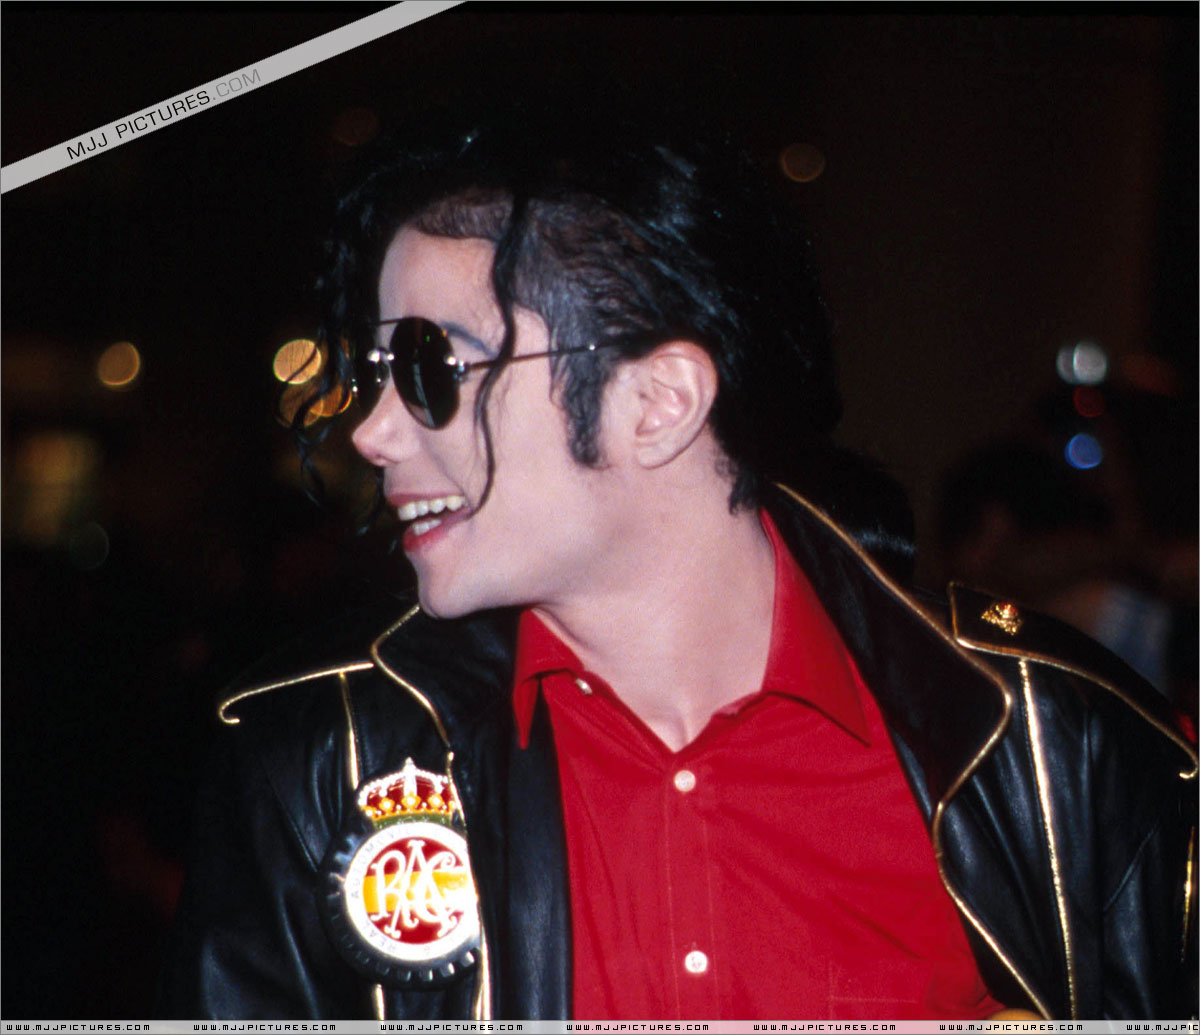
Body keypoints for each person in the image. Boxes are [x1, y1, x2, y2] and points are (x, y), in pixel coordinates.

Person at [159, 109, 1197, 1021]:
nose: (374, 431)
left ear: (658, 404)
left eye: (433, 368)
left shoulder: (1056, 747)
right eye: (378, 372)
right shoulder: (319, 766)